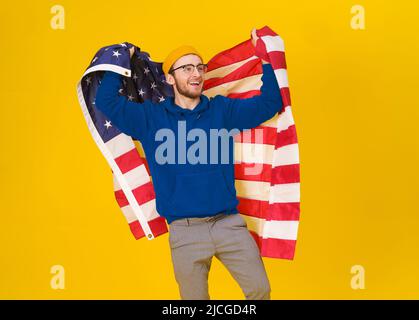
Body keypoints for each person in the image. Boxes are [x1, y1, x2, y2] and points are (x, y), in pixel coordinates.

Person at [95, 28, 283, 300]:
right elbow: (107, 102)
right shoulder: (151, 117)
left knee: (260, 290)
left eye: (199, 67)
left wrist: (266, 57)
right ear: (170, 78)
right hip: (185, 232)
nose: (196, 74)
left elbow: (270, 103)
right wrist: (122, 59)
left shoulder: (222, 110)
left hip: (228, 224)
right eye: (186, 68)